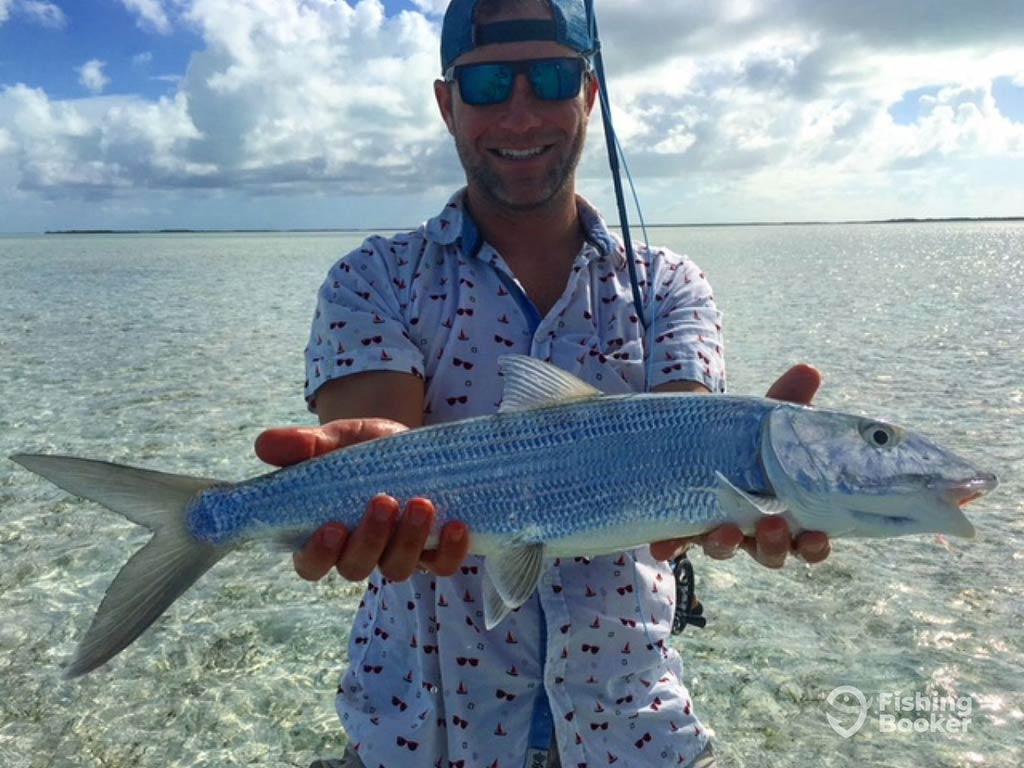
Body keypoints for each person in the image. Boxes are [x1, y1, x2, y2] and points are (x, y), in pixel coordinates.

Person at [255, 1, 831, 765]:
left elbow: (675, 474)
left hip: (635, 729)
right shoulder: (374, 279)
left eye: (553, 78)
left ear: (589, 94)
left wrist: (751, 487)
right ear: (445, 103)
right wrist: (365, 483)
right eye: (488, 83)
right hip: (419, 737)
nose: (521, 115)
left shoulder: (671, 288)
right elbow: (379, 435)